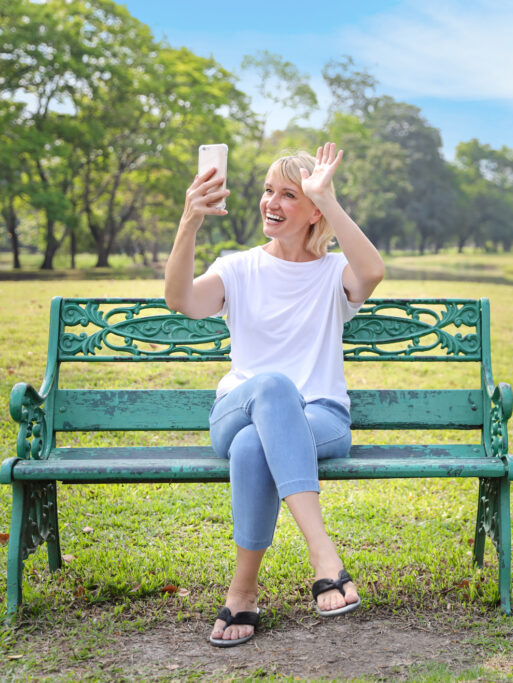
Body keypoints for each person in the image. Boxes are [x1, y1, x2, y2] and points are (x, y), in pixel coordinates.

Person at [164, 142, 385, 647]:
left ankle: (241, 593)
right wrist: (188, 221)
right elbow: (181, 300)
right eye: (268, 191)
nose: (272, 203)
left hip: (319, 418)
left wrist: (327, 196)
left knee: (252, 447)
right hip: (238, 411)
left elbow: (371, 272)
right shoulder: (238, 268)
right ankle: (324, 557)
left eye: (289, 195)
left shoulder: (334, 275)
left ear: (313, 211)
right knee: (270, 387)